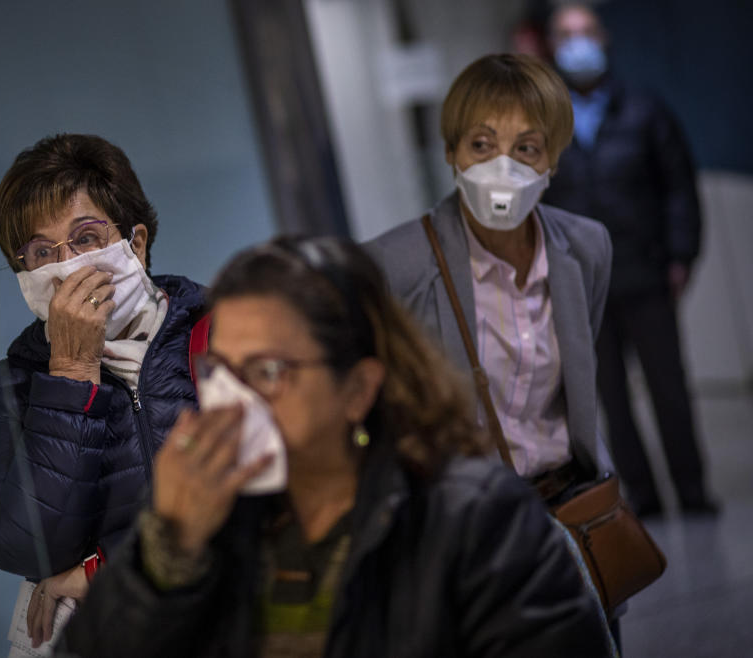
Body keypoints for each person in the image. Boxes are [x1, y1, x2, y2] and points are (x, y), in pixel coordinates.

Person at [58, 236, 614, 657]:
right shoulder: (216, 522)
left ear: (357, 388)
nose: (230, 398)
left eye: (268, 370)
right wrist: (166, 552)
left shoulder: (478, 521)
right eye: (220, 369)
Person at [0, 134, 207, 647]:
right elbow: (22, 548)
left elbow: (279, 501)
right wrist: (72, 373)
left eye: (86, 237)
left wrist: (105, 571)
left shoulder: (221, 335)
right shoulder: (5, 389)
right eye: (40, 251)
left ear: (135, 245)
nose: (67, 264)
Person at [367, 53, 614, 499]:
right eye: (481, 145)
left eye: (526, 148)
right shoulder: (394, 264)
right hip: (464, 517)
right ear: (450, 152)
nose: (503, 169)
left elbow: (579, 371)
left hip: (566, 497)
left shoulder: (586, 247)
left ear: (552, 161)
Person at [543, 4, 716, 517]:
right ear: (552, 45)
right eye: (566, 34)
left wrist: (681, 254)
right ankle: (644, 498)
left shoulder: (645, 110)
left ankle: (693, 492)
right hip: (583, 286)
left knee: (670, 390)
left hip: (646, 273)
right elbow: (537, 208)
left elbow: (678, 189)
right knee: (612, 400)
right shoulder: (545, 125)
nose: (577, 43)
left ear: (604, 38)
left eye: (585, 32)